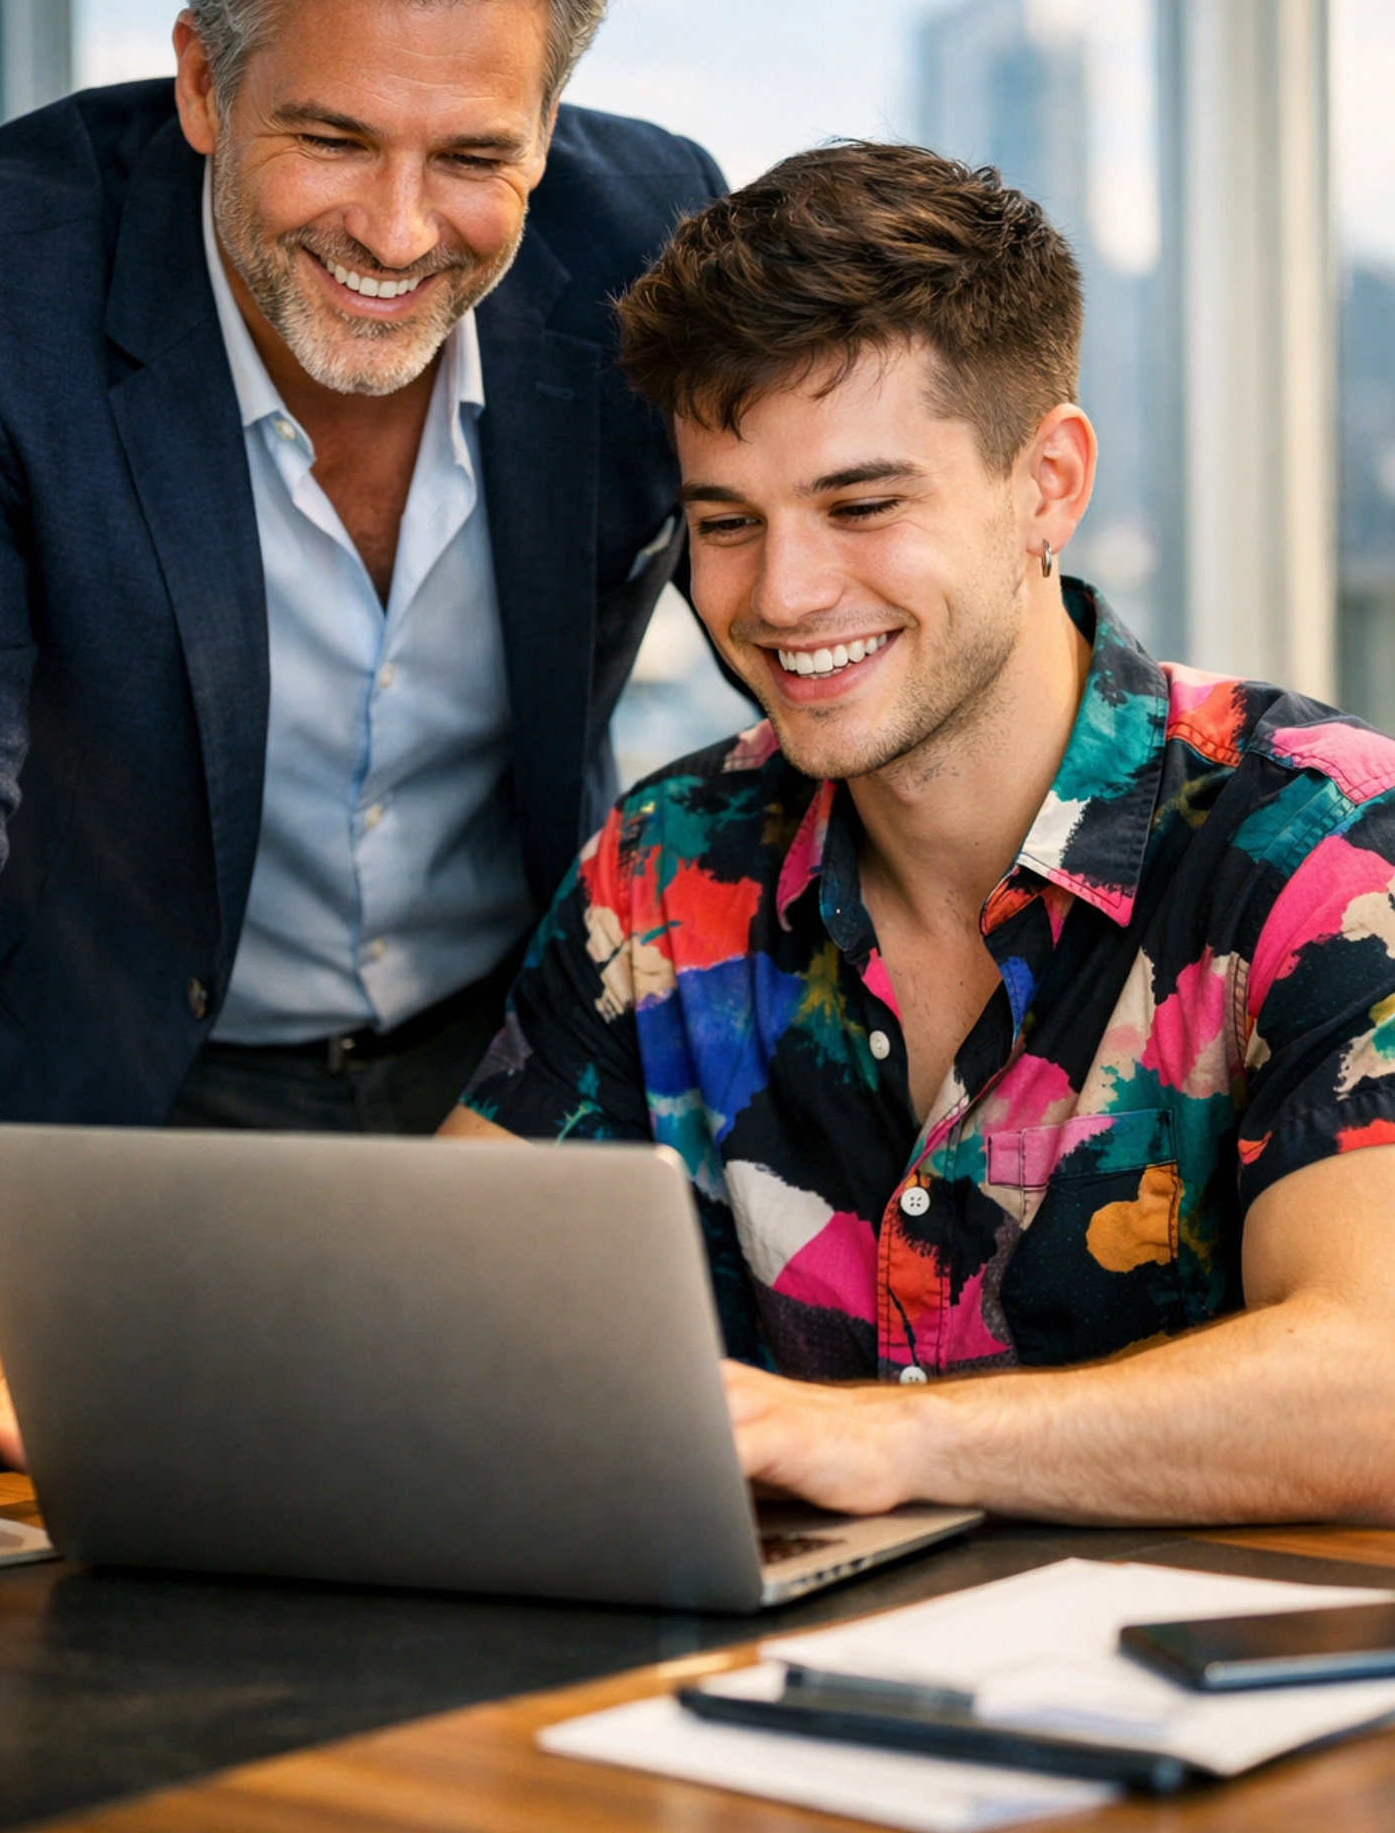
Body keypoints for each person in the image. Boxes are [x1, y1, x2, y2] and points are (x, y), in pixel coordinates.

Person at [0, 0, 722, 1461]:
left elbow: (811, 628)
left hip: (520, 1063)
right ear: (202, 82)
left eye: (475, 154)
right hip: (124, 1079)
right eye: (330, 138)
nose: (398, 232)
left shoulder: (652, 243)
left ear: (550, 127)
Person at [447, 140, 1395, 1527]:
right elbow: (424, 1310)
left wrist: (892, 1443)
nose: (782, 593)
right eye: (727, 523)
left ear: (1047, 485)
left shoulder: (1325, 846)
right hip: (757, 1701)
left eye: (862, 504)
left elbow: (1373, 1379)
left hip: (1220, 1711)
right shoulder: (667, 868)